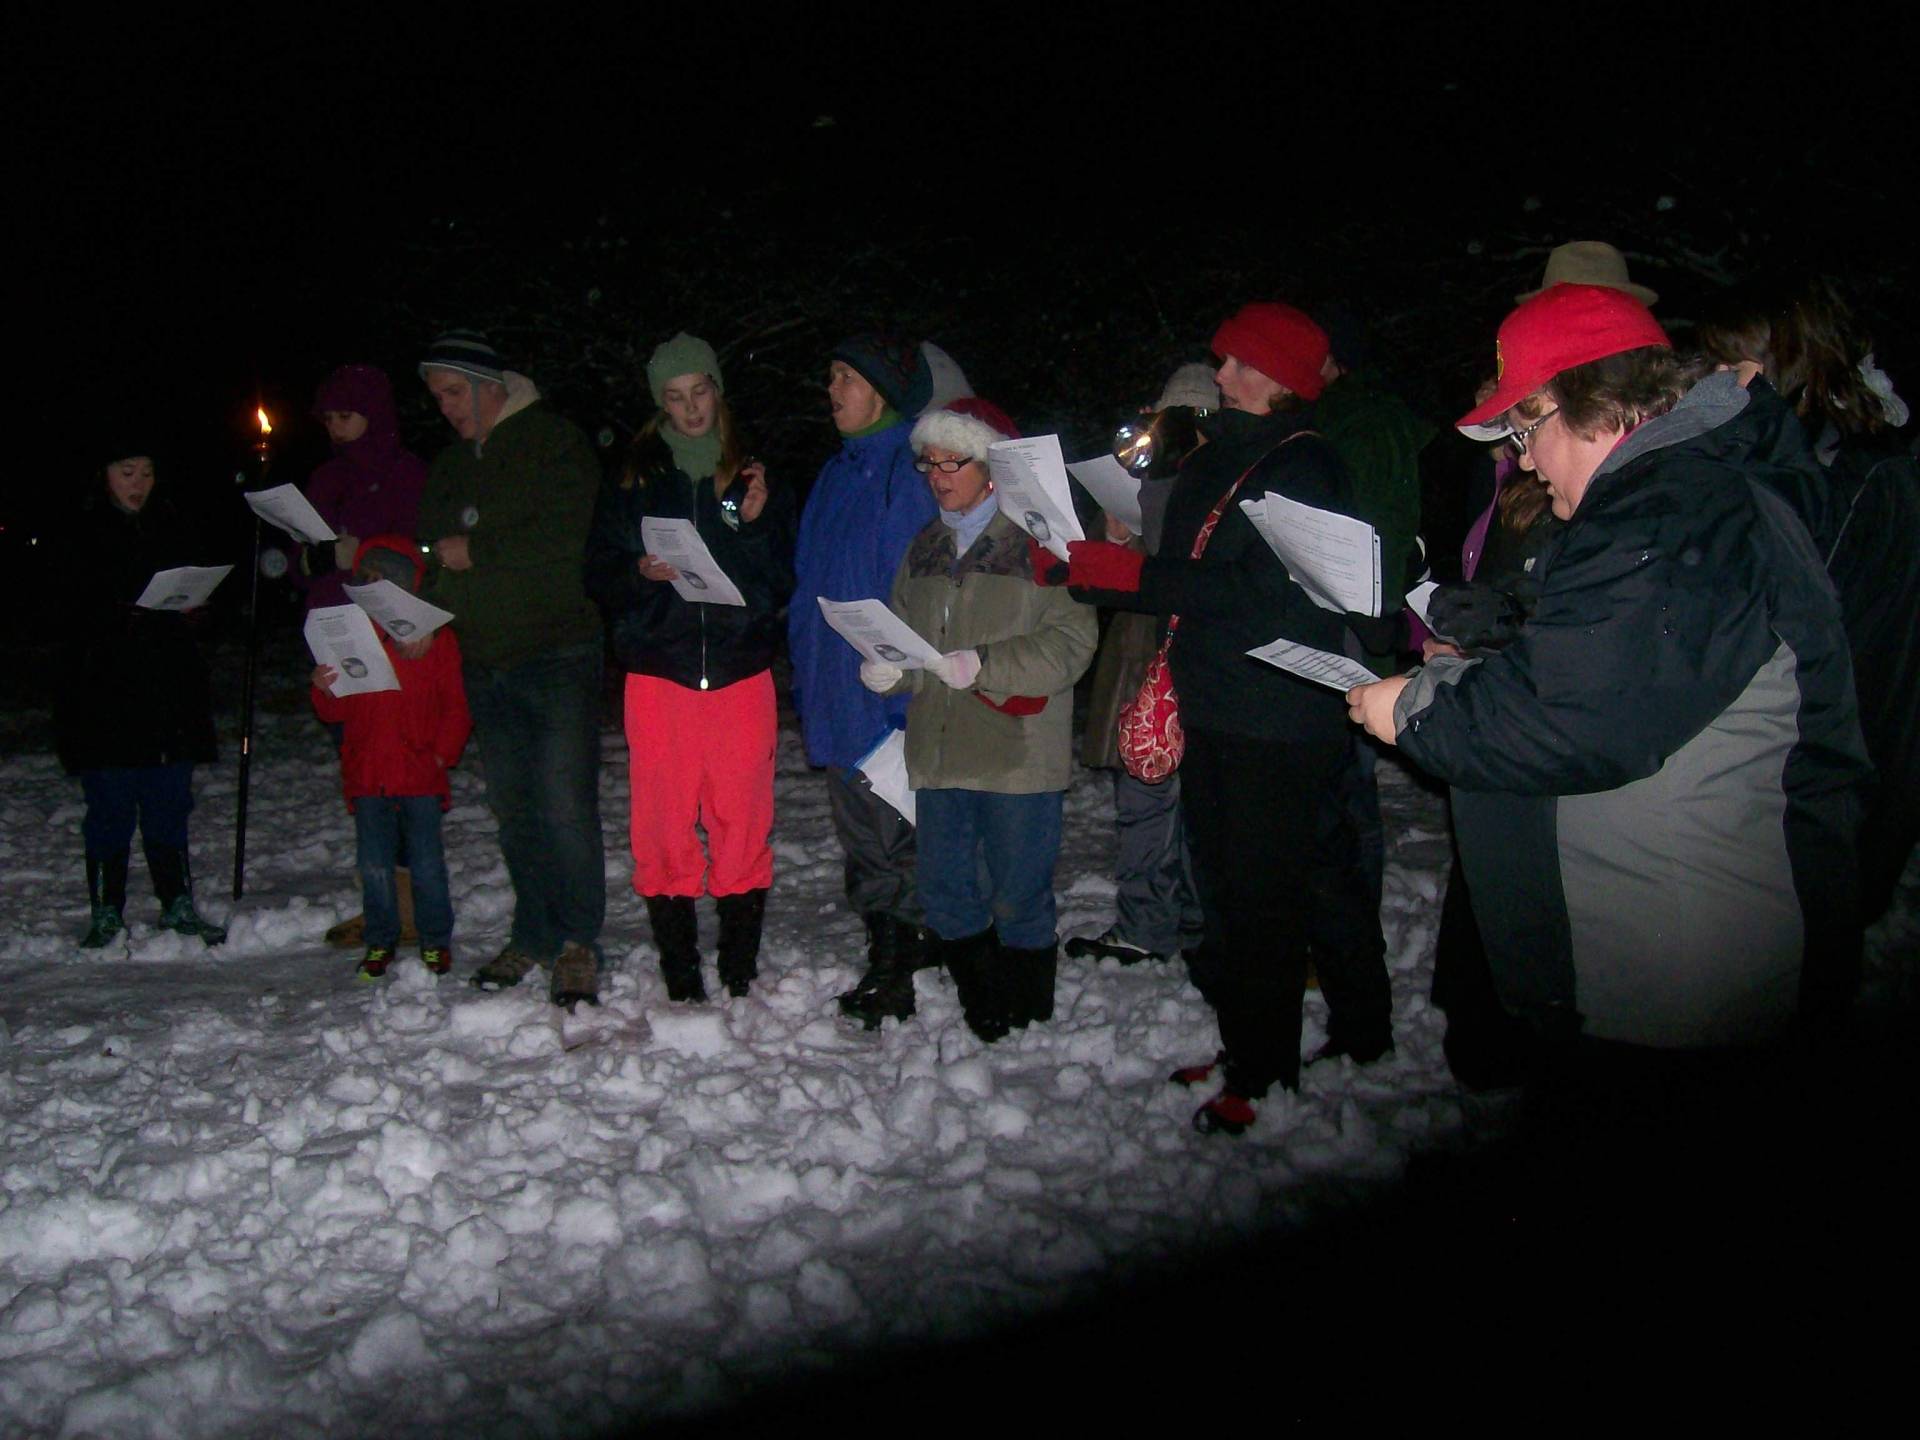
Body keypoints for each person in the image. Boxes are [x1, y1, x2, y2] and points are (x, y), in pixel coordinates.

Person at [1348, 284, 1868, 1078]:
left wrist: (1416, 707)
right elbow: (1614, 664)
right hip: (1646, 956)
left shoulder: (1674, 509)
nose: (1523, 459)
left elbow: (1565, 718)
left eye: (1527, 430)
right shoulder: (1672, 496)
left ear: (1588, 404)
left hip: (1683, 986)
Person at [1058, 303, 1392, 1135]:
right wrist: (1111, 565)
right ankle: (1331, 1032)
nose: (1221, 374)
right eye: (1224, 360)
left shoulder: (1307, 464)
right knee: (1272, 882)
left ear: (1285, 379)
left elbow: (1268, 597)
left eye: (1242, 363)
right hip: (1216, 701)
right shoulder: (1217, 455)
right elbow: (1187, 571)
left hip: (1277, 716)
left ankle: (1264, 1067)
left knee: (1260, 901)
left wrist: (1132, 579)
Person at [860, 398, 1097, 1041]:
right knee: (945, 892)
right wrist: (892, 669)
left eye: (953, 463)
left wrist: (985, 664)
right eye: (929, 463)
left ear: (991, 467)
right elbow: (914, 643)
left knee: (1018, 894)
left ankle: (1028, 1013)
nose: (938, 477)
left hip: (1015, 751)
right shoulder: (926, 547)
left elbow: (1072, 643)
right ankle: (984, 1006)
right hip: (939, 751)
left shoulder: (1041, 543)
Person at [1698, 277, 1917, 924]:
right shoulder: (1820, 459)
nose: (1712, 382)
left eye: (1730, 363)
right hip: (1812, 776)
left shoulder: (1845, 476)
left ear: (1786, 363)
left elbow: (1802, 639)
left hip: (1821, 785)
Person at [585, 333, 795, 1002]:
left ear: (716, 389)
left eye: (699, 391)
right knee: (661, 821)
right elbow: (598, 572)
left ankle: (738, 966)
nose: (691, 407)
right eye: (675, 397)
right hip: (660, 673)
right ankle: (680, 970)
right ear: (660, 404)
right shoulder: (633, 477)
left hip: (740, 674)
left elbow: (781, 582)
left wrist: (755, 525)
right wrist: (639, 573)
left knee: (742, 818)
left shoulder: (753, 473)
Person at [415, 329, 607, 1008]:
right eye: (437, 397)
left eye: (452, 392)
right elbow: (435, 551)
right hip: (485, 659)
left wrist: (481, 550)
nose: (445, 407)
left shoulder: (554, 442)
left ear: (487, 386)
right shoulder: (451, 465)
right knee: (515, 810)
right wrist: (422, 615)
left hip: (556, 652)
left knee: (564, 806)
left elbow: (570, 533)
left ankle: (578, 941)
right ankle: (534, 932)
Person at [786, 334, 939, 1027]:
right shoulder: (835, 472)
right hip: (833, 680)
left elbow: (921, 588)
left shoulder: (907, 471)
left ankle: (899, 961)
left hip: (883, 687)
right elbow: (808, 580)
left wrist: (906, 681)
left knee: (891, 830)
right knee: (860, 829)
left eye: (846, 376)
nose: (833, 389)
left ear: (880, 390)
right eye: (831, 375)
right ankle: (893, 945)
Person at [1066, 363, 1215, 966]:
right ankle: (1148, 923)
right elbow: (1107, 576)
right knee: (1145, 797)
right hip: (1144, 656)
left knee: (1191, 804)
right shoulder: (1150, 475)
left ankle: (1191, 925)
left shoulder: (1229, 479)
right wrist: (1116, 534)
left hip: (1201, 663)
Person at [56, 444, 227, 948]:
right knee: (110, 804)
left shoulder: (170, 525)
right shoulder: (81, 533)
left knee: (168, 802)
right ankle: (106, 910)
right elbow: (63, 612)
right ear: (104, 475)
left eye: (147, 473)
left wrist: (197, 611)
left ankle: (177, 901)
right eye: (127, 472)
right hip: (105, 695)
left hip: (167, 692)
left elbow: (199, 599)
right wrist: (116, 616)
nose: (138, 484)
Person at [294, 364, 430, 950]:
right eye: (328, 419)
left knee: (401, 780)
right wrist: (310, 560)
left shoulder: (406, 474)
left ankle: (411, 906)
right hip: (336, 637)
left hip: (391, 639)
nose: (337, 428)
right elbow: (302, 560)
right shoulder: (327, 478)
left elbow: (414, 554)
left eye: (346, 416)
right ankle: (380, 903)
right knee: (363, 779)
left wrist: (363, 551)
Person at [310, 536, 471, 981]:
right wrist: (324, 688)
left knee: (426, 864)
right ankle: (380, 938)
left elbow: (456, 705)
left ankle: (435, 939)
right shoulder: (351, 638)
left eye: (384, 581)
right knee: (374, 865)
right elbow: (336, 712)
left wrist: (441, 755)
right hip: (368, 774)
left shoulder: (434, 640)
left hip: (419, 773)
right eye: (367, 580)